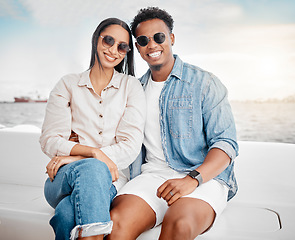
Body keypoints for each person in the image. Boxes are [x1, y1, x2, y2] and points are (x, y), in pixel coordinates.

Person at [107, 7, 239, 240]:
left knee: (179, 224)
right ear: (137, 47)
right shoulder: (133, 91)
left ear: (171, 39)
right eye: (143, 40)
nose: (153, 45)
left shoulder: (205, 83)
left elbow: (226, 144)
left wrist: (192, 179)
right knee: (116, 225)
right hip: (151, 177)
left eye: (159, 37)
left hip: (202, 178)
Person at [40, 17, 146, 240]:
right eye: (108, 40)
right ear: (96, 40)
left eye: (122, 46)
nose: (113, 50)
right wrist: (93, 153)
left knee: (67, 215)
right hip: (62, 180)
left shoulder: (131, 86)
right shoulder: (68, 84)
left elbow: (130, 146)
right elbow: (50, 140)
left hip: (111, 179)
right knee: (93, 168)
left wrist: (77, 157)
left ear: (127, 51)